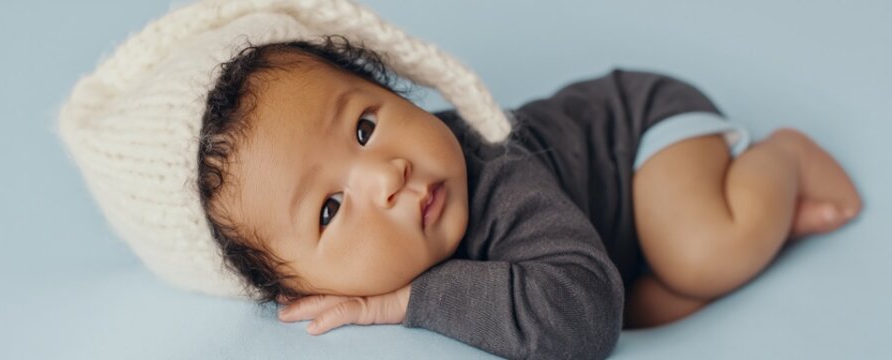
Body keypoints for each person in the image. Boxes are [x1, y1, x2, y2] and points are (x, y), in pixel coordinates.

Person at [193, 36, 862, 359]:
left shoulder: (498, 179)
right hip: (617, 214)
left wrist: (404, 301)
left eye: (366, 126)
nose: (385, 174)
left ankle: (781, 158)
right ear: (298, 287)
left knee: (698, 257)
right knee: (651, 309)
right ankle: (750, 217)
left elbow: (586, 323)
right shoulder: (412, 215)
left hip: (642, 135)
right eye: (329, 209)